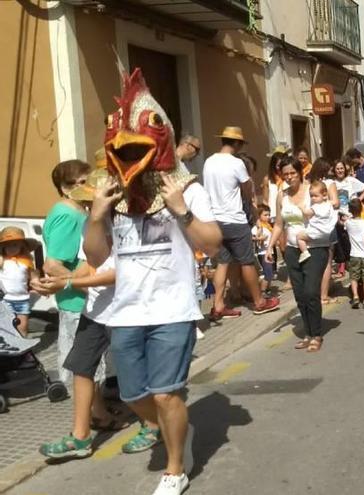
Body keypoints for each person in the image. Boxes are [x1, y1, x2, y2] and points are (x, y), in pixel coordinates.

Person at [83, 69, 224, 494]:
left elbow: (213, 244)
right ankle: (173, 429)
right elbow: (95, 255)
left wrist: (181, 210)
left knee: (166, 394)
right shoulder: (112, 196)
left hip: (173, 308)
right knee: (131, 394)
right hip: (125, 311)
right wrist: (95, 215)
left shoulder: (187, 190)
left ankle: (176, 467)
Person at [38, 170, 128, 460]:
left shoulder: (126, 223)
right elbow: (85, 267)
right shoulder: (89, 223)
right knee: (82, 366)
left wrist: (67, 282)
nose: (88, 202)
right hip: (95, 308)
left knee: (136, 371)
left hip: (125, 309)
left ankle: (154, 424)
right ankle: (80, 437)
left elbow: (117, 274)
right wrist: (48, 282)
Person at [202, 127, 279, 320]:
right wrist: (252, 207)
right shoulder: (236, 164)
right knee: (247, 260)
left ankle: (218, 305)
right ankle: (259, 302)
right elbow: (247, 187)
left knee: (223, 262)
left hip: (215, 219)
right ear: (236, 143)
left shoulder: (209, 161)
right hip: (234, 219)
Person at [267, 158, 336, 352]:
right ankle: (307, 332)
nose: (289, 177)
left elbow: (329, 209)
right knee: (299, 294)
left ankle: (316, 334)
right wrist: (270, 247)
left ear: (300, 172)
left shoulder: (312, 190)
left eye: (292, 173)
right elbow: (279, 223)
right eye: (285, 174)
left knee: (311, 291)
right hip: (291, 248)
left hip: (315, 247)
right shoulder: (282, 195)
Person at [42, 159, 91, 386]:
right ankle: (96, 413)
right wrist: (80, 283)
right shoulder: (68, 215)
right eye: (83, 182)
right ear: (65, 188)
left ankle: (98, 409)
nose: (90, 186)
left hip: (79, 300)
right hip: (78, 302)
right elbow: (52, 264)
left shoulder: (78, 209)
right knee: (85, 363)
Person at [309, 158, 340, 304]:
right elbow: (336, 202)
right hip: (327, 226)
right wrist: (324, 204)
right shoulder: (329, 184)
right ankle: (323, 295)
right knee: (327, 261)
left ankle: (314, 291)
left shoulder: (309, 184)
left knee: (314, 260)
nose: (332, 171)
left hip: (311, 226)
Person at [0, 227, 40, 336]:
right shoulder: (2, 260)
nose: (11, 248)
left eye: (15, 245)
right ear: (2, 247)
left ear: (22, 246)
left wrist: (38, 287)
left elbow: (33, 277)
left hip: (22, 299)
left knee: (23, 326)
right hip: (5, 299)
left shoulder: (26, 261)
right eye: (7, 245)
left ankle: (23, 348)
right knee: (6, 327)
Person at [296, 181, 335, 264]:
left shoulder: (316, 207)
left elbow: (307, 213)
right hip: (327, 234)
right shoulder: (328, 204)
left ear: (324, 195)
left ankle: (304, 252)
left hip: (316, 232)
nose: (313, 198)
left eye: (316, 196)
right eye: (311, 196)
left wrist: (301, 207)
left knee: (299, 237)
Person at [252, 204, 274, 295]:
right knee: (268, 273)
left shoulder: (268, 226)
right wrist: (259, 239)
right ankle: (262, 291)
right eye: (265, 215)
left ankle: (268, 290)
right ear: (259, 216)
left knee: (270, 273)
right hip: (263, 252)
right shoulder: (257, 227)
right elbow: (252, 237)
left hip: (270, 252)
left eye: (269, 215)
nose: (268, 217)